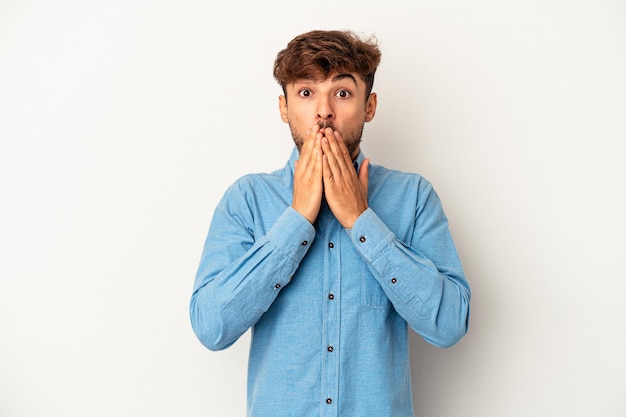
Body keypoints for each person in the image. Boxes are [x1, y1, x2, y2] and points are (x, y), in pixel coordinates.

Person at [190, 29, 471, 417]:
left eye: (342, 93)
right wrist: (296, 221)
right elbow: (211, 327)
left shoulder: (414, 197)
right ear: (284, 107)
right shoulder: (247, 200)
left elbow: (450, 324)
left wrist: (361, 221)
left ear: (369, 106)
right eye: (306, 93)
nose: (324, 112)